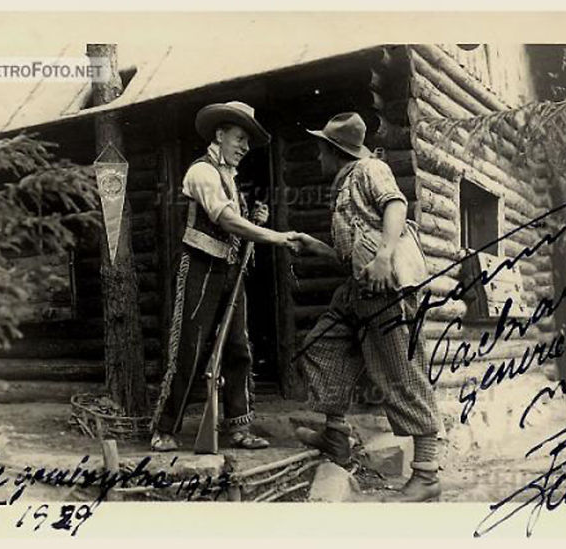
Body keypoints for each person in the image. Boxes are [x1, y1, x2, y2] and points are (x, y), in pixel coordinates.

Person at [292, 112, 443, 502]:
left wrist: (385, 255)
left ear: (333, 150)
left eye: (320, 149)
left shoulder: (369, 168)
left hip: (385, 288)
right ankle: (336, 438)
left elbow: (396, 205)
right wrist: (316, 246)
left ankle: (426, 475)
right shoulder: (343, 187)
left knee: (401, 373)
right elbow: (353, 251)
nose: (317, 157)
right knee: (322, 347)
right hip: (358, 288)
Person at [151, 101, 303, 452]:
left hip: (231, 270)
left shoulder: (231, 179)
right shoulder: (201, 172)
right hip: (201, 269)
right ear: (219, 135)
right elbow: (227, 221)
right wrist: (277, 237)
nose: (244, 147)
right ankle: (165, 427)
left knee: (238, 348)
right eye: (238, 138)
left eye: (247, 141)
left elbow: (239, 225)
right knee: (190, 348)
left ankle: (238, 426)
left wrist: (258, 220)